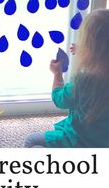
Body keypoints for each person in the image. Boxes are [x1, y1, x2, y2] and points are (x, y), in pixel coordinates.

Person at [25, 9, 109, 148]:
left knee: (31, 141)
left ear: (90, 48)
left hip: (79, 142)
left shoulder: (84, 81)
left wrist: (57, 74)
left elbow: (60, 99)